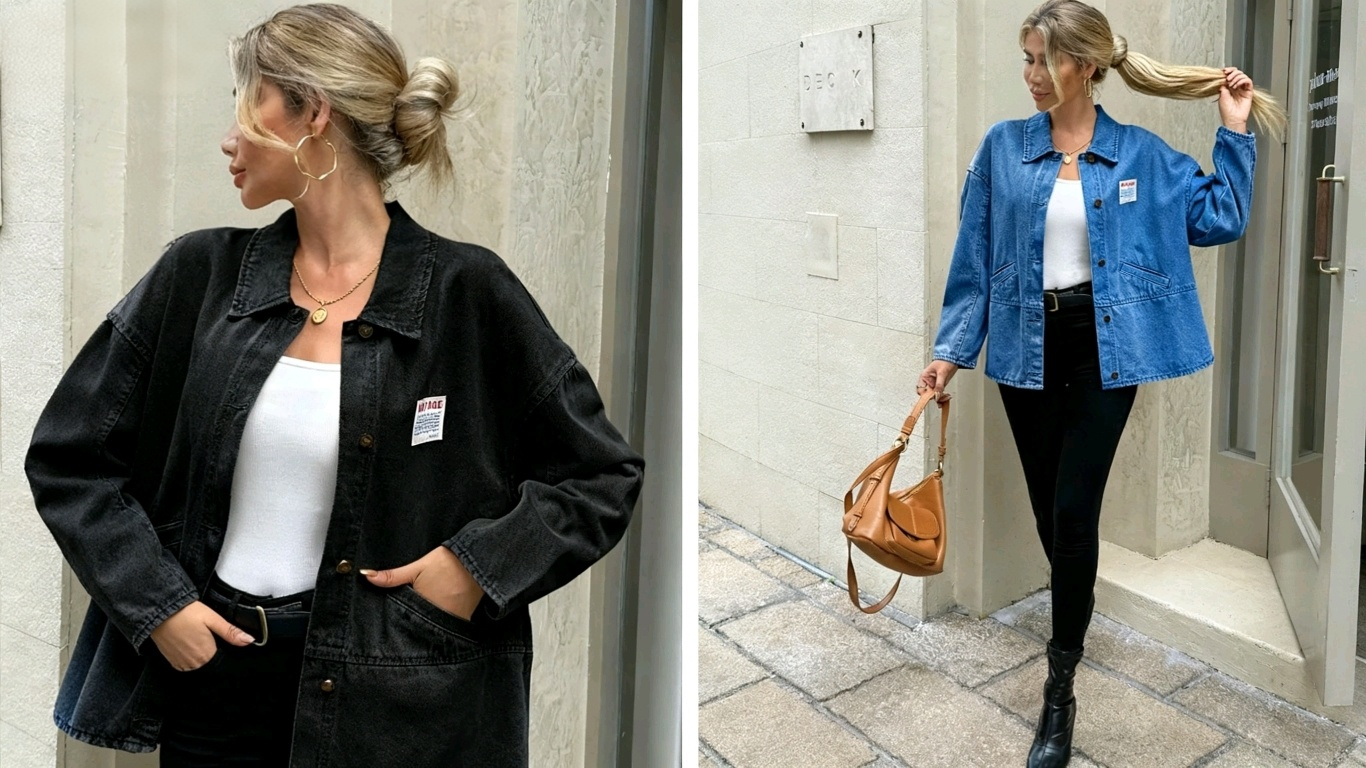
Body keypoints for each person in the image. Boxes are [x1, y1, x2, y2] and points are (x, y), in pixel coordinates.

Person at [24, 4, 644, 766]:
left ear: (312, 112)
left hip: (398, 709)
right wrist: (160, 608)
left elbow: (599, 475)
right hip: (216, 687)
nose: (229, 138)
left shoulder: (465, 294)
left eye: (245, 105)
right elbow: (70, 459)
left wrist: (475, 569)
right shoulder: (199, 277)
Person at [917, 2, 1283, 766]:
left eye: (1040, 61)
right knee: (1053, 517)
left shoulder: (1142, 156)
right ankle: (1071, 616)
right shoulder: (1003, 150)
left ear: (1083, 65)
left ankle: (1059, 689)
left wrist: (1235, 128)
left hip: (1103, 351)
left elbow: (1219, 218)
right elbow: (974, 258)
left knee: (1075, 510)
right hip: (1024, 347)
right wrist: (951, 351)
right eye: (1024, 59)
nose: (1029, 77)